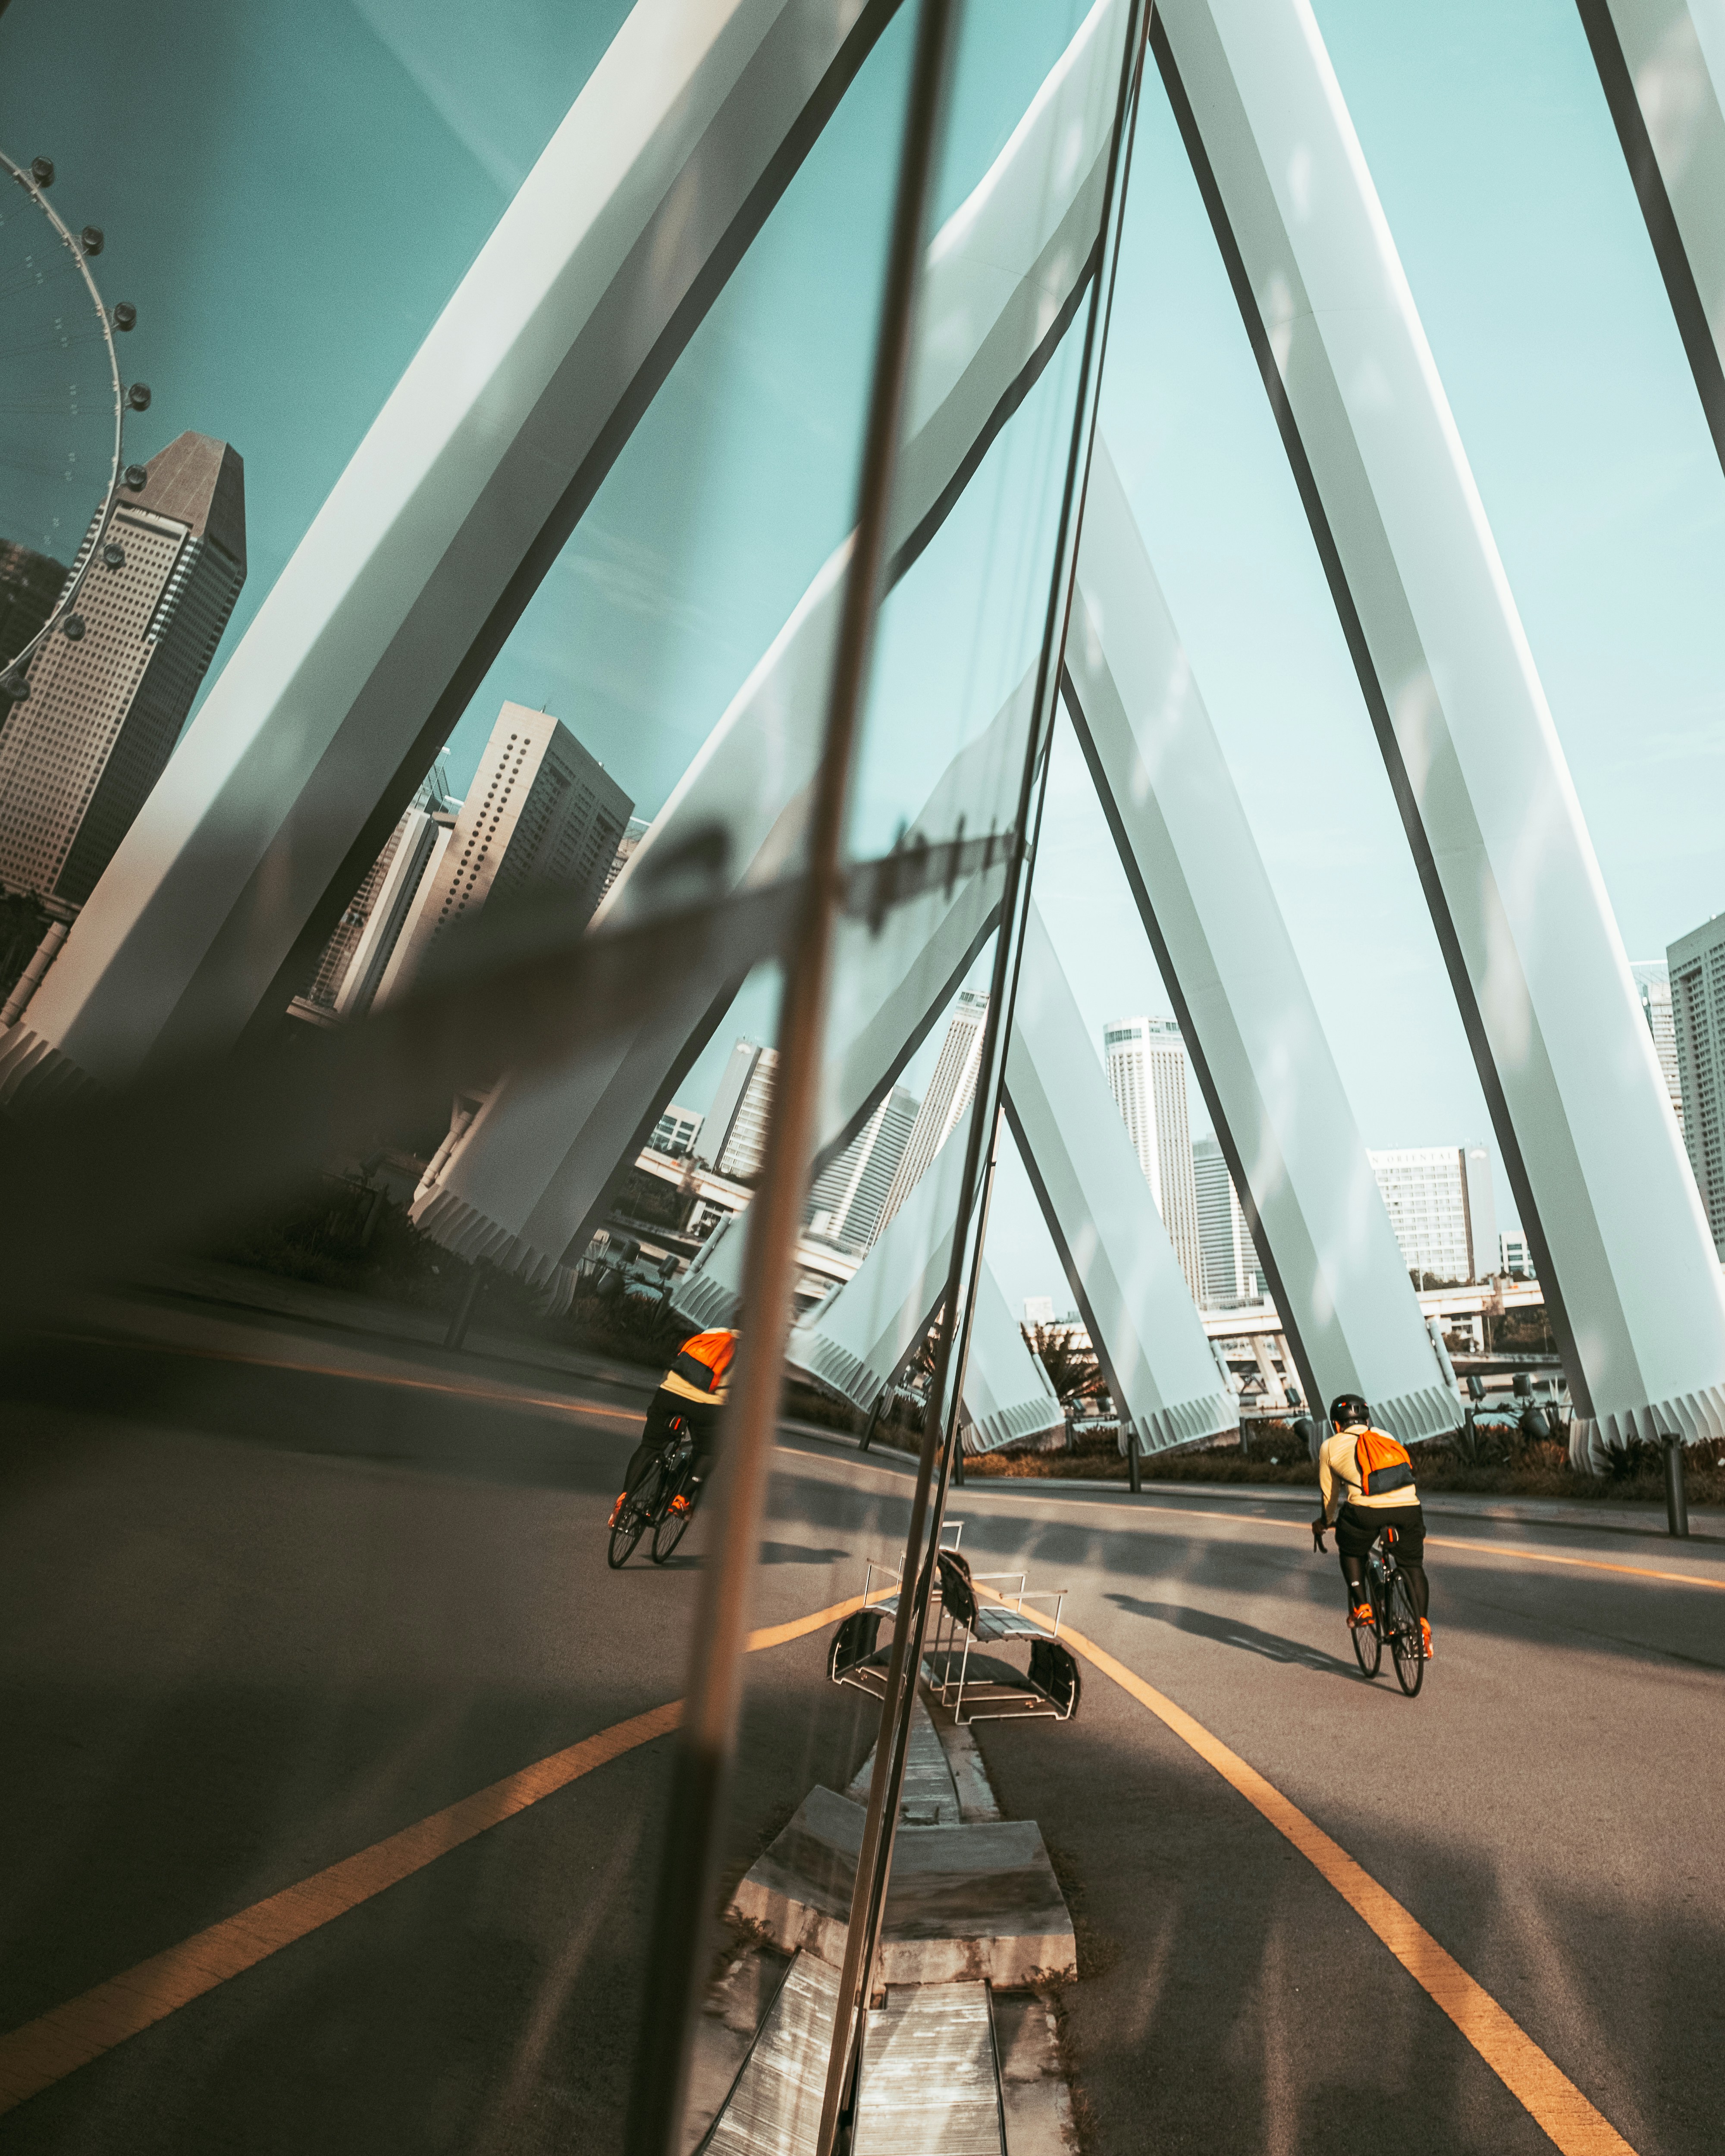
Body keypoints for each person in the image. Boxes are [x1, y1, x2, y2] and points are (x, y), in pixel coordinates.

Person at [1314, 1392, 1432, 1658]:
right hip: (1409, 1508)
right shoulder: (1386, 1436)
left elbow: (1330, 1495)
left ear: (1336, 1425)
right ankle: (1422, 1630)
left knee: (1351, 1548)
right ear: (1368, 1420)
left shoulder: (1331, 1446)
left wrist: (1325, 1522)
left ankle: (1362, 1607)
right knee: (1412, 1565)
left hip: (1366, 1512)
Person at [609, 1326, 738, 1526]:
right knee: (709, 1451)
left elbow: (683, 1353)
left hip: (669, 1392)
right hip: (707, 1407)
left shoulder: (714, 1332)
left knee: (650, 1446)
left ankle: (624, 1499)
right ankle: (682, 1499)